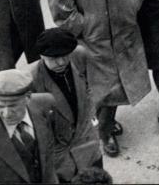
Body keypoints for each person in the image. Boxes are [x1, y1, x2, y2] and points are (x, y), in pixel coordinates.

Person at [48, 0, 151, 158]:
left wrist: (128, 10)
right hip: (95, 41)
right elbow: (61, 11)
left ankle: (105, 125)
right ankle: (104, 134)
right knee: (103, 91)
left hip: (124, 32)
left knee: (120, 84)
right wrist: (88, 28)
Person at [28, 29, 104, 183]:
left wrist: (91, 117)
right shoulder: (31, 79)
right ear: (41, 56)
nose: (61, 62)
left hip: (87, 142)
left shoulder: (79, 55)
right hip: (60, 154)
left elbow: (93, 86)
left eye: (64, 55)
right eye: (54, 58)